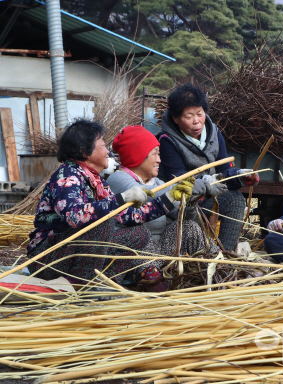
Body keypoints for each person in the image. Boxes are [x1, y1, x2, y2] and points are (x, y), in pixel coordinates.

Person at [26, 119, 194, 290]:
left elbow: (128, 216)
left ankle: (107, 284)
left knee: (139, 234)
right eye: (102, 145)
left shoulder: (97, 182)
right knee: (100, 224)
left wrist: (169, 199)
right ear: (83, 151)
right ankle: (85, 287)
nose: (108, 151)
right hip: (48, 258)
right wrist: (122, 198)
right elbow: (74, 217)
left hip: (74, 253)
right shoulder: (67, 176)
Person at [157, 83, 259, 251]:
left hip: (209, 199)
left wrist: (240, 176)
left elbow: (224, 169)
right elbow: (179, 179)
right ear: (176, 118)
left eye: (200, 113)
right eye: (189, 116)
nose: (197, 121)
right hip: (183, 204)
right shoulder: (167, 140)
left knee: (235, 199)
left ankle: (225, 255)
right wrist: (209, 182)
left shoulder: (214, 133)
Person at [107, 125, 222, 257]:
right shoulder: (118, 178)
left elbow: (181, 216)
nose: (159, 160)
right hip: (136, 254)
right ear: (137, 155)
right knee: (140, 233)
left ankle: (216, 259)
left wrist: (189, 201)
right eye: (154, 154)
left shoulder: (157, 183)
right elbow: (146, 193)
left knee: (189, 226)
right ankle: (149, 273)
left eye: (159, 154)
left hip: (161, 250)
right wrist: (184, 187)